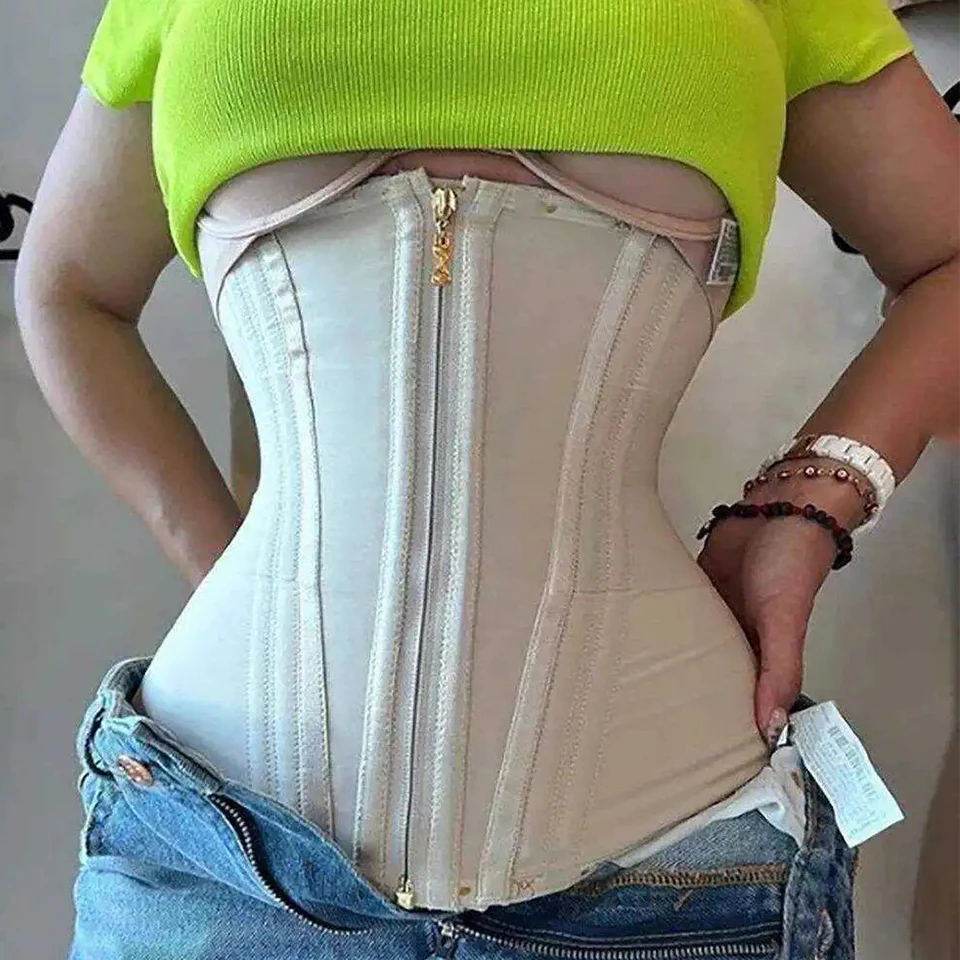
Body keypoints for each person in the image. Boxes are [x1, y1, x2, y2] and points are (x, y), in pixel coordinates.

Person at [13, 1, 958, 957]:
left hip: (672, 872)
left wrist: (809, 502)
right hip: (219, 862)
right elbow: (67, 289)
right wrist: (229, 562)